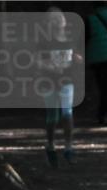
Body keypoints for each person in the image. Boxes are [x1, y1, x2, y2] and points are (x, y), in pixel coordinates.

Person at [38, 7, 80, 167]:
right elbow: (38, 62)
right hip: (49, 81)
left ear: (64, 21)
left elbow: (72, 55)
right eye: (52, 19)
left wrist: (76, 58)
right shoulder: (44, 41)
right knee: (53, 117)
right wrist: (52, 68)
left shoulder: (69, 39)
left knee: (67, 113)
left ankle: (69, 148)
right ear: (47, 23)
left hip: (66, 81)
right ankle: (50, 146)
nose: (57, 21)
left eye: (59, 18)